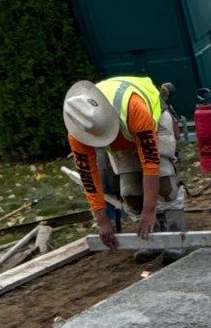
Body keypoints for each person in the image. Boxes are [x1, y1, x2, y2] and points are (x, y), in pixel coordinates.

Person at [65, 76, 183, 248]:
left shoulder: (134, 108)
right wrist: (102, 220)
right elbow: (88, 177)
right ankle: (151, 238)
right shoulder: (79, 128)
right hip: (122, 137)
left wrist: (149, 210)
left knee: (164, 180)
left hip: (154, 122)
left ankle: (176, 234)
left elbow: (150, 163)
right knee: (130, 192)